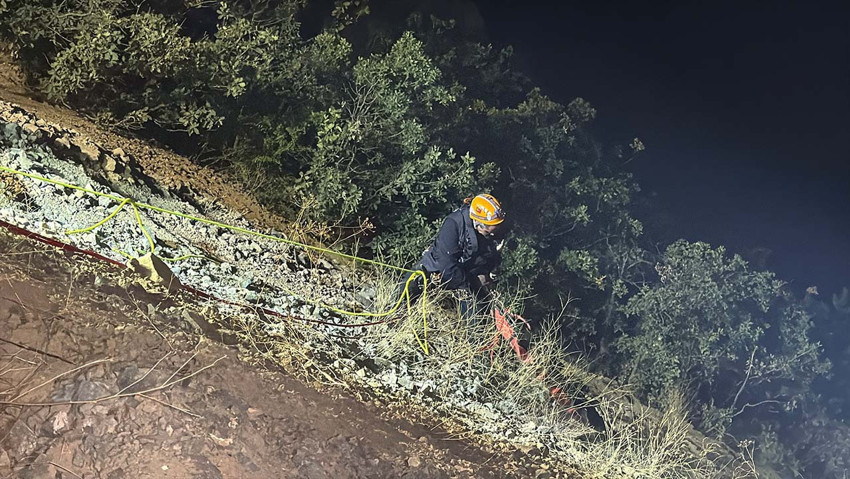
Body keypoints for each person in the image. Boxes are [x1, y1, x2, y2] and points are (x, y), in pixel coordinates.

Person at [401, 194, 506, 318]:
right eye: (489, 232)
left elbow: (489, 257)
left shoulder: (490, 233)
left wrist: (486, 275)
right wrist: (469, 284)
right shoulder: (453, 224)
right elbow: (445, 264)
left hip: (466, 275)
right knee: (404, 294)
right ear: (479, 223)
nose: (493, 235)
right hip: (437, 270)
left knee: (479, 315)